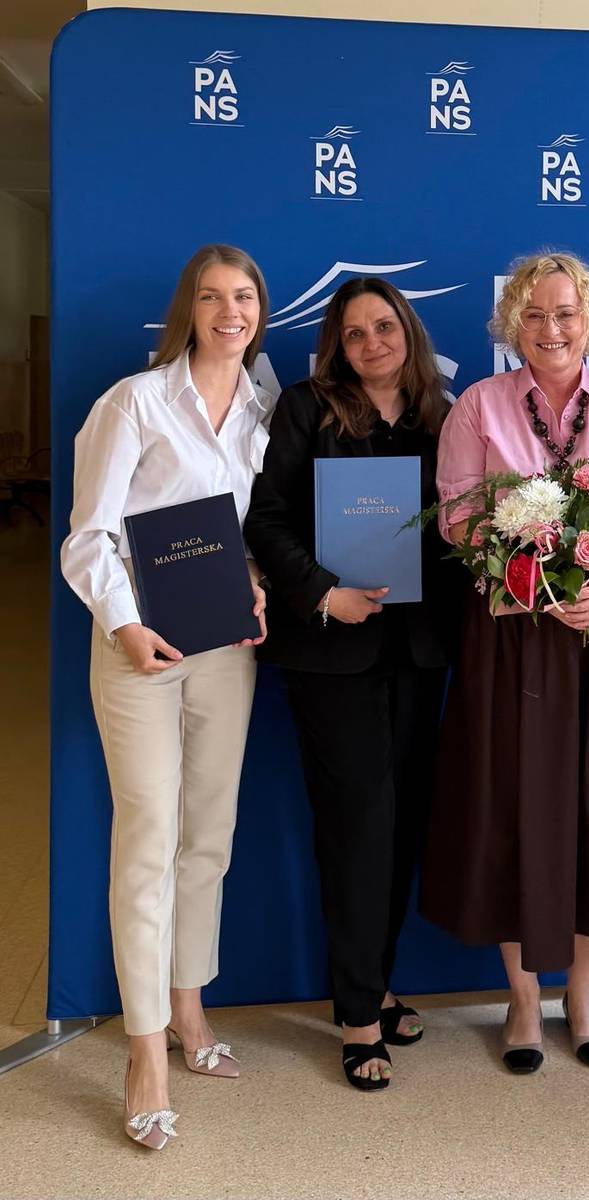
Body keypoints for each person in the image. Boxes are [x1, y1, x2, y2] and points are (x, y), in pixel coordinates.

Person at [419, 250, 589, 1073]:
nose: (551, 329)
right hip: (511, 636)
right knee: (511, 805)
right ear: (512, 325)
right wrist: (527, 564)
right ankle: (524, 1000)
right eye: (533, 314)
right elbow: (458, 520)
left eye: (566, 313)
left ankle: (584, 994)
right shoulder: (478, 407)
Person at [60, 244, 270, 1149]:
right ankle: (144, 1053)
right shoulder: (134, 402)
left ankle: (189, 1011)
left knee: (208, 838)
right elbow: (87, 538)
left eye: (244, 296)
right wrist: (124, 625)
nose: (231, 312)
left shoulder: (261, 407)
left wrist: (254, 581)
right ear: (188, 308)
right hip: (139, 650)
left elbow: (243, 533)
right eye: (213, 297)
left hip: (224, 647)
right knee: (148, 840)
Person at [243, 278, 455, 1091]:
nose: (371, 343)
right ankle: (359, 1016)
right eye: (354, 332)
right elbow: (265, 518)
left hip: (419, 652)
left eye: (384, 327)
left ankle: (377, 983)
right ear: (337, 344)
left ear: (408, 332)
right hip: (333, 653)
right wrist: (324, 593)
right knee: (358, 830)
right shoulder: (307, 408)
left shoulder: (442, 417)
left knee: (401, 830)